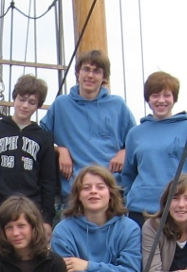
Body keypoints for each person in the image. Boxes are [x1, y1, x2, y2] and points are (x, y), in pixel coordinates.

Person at [39, 49, 136, 197]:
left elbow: (137, 141)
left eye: (97, 71)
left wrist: (125, 152)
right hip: (74, 191)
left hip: (112, 190)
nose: (90, 75)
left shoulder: (118, 105)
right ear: (77, 72)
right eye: (86, 69)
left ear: (104, 77)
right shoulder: (61, 105)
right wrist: (60, 150)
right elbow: (39, 140)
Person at [120, 71, 187, 224]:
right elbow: (128, 175)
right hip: (141, 210)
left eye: (167, 95)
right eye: (155, 95)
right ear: (148, 99)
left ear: (174, 98)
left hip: (179, 210)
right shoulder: (135, 134)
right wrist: (129, 199)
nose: (161, 100)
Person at [0, 74, 59, 227]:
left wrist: (47, 219)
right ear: (14, 98)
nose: (25, 105)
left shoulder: (44, 137)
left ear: (38, 105)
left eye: (32, 102)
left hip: (31, 210)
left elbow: (48, 180)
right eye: (21, 99)